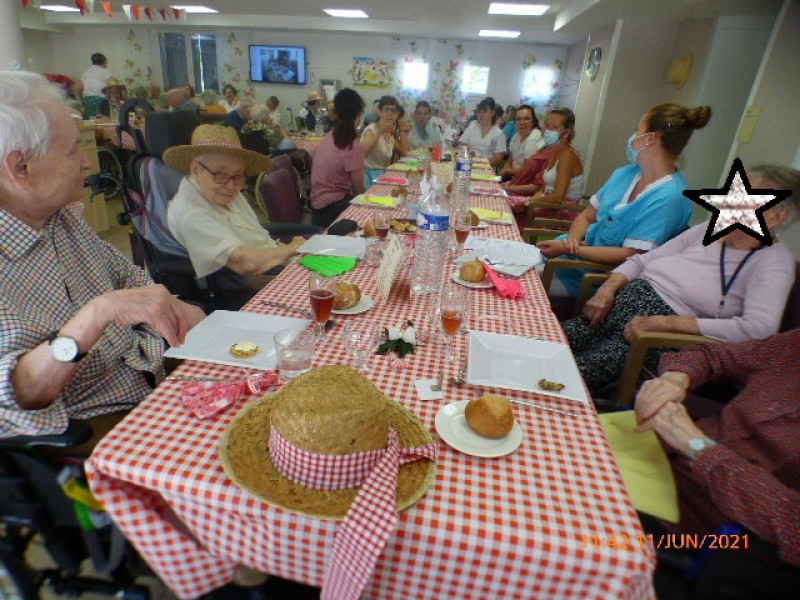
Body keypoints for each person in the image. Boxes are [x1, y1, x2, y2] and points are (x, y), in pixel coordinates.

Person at [0, 71, 205, 446]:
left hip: (150, 382)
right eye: (72, 150)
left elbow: (135, 283)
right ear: (21, 169)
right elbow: (21, 393)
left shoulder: (61, 221)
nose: (87, 164)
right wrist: (97, 315)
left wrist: (186, 315)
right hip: (89, 431)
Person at [563, 164, 798, 393]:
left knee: (568, 380)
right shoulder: (710, 228)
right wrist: (607, 289)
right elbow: (642, 260)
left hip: (650, 338)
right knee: (547, 342)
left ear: (777, 214)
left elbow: (758, 329)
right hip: (608, 313)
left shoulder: (773, 263)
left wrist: (664, 323)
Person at [633, 328, 800, 567]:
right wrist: (674, 379)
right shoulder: (794, 345)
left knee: (580, 533)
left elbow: (792, 527)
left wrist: (699, 447)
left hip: (713, 532)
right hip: (661, 458)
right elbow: (717, 356)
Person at [537, 103, 712, 298]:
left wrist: (574, 251)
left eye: (638, 130)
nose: (633, 137)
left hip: (589, 279)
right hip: (565, 257)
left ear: (650, 138)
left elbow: (630, 255)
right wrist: (571, 242)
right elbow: (586, 216)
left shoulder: (670, 198)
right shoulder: (626, 174)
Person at [165, 125, 304, 291]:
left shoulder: (223, 190)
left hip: (277, 262)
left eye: (238, 175)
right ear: (195, 169)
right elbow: (247, 263)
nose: (231, 186)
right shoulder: (191, 214)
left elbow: (256, 234)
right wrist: (293, 248)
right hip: (252, 285)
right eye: (220, 174)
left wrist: (286, 251)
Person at [310, 88, 366, 228]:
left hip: (316, 208)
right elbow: (359, 189)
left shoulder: (329, 137)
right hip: (331, 211)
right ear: (359, 114)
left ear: (336, 113)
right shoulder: (352, 144)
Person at [526, 107, 585, 223]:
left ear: (567, 132)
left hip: (562, 211)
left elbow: (558, 197)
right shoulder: (554, 152)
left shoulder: (568, 156)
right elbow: (544, 188)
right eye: (548, 126)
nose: (549, 131)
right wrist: (531, 200)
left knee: (511, 211)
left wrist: (528, 203)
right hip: (547, 203)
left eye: (555, 127)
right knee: (507, 203)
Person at [361, 95, 406, 187]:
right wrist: (379, 132)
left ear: (397, 114)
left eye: (393, 110)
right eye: (386, 110)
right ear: (380, 112)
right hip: (368, 178)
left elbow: (404, 152)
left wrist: (402, 129)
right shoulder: (371, 130)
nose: (390, 113)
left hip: (384, 177)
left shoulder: (390, 133)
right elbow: (362, 153)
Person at [458, 97, 507, 168]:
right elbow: (462, 145)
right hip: (468, 164)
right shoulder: (472, 128)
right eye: (479, 111)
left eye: (485, 111)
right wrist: (467, 155)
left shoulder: (499, 134)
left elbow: (499, 157)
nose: (481, 114)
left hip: (487, 169)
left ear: (492, 113)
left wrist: (482, 164)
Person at [499, 104, 544, 181]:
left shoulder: (533, 137)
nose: (522, 122)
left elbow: (528, 170)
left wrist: (506, 171)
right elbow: (510, 161)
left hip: (526, 180)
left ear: (533, 122)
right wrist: (503, 175)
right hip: (513, 177)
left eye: (526, 119)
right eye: (518, 119)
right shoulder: (517, 136)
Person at [80, 52, 113, 118]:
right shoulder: (105, 72)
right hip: (101, 102)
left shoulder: (85, 73)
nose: (106, 65)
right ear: (103, 62)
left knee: (89, 122)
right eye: (106, 63)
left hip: (87, 101)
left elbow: (79, 89)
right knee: (101, 122)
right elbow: (113, 88)